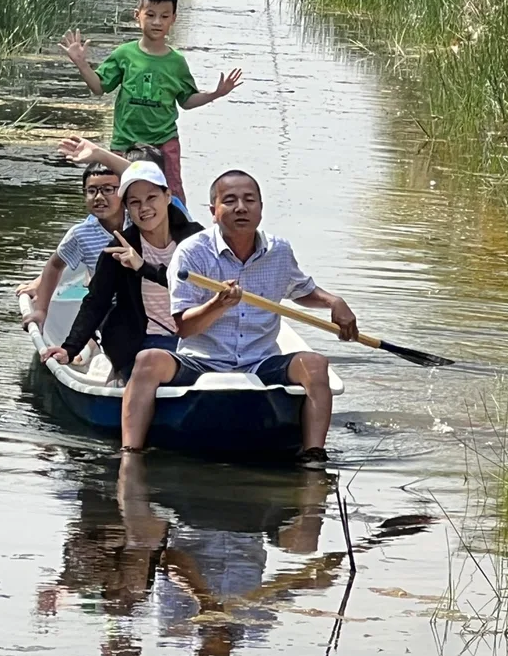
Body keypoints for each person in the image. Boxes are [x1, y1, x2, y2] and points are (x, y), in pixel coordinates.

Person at [117, 169, 359, 468]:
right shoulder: (192, 253)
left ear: (260, 208)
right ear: (214, 211)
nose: (241, 208)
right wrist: (217, 305)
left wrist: (334, 302)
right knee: (147, 360)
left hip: (260, 359)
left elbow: (302, 290)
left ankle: (313, 455)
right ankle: (130, 454)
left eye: (249, 200)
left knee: (315, 365)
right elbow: (184, 326)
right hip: (202, 358)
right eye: (229, 201)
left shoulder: (279, 251)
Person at [59, 0, 243, 205]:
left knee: (170, 194)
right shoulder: (124, 54)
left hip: (163, 142)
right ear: (137, 16)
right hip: (125, 142)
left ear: (173, 19)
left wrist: (215, 93)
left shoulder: (176, 62)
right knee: (121, 196)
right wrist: (81, 64)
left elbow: (186, 100)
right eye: (151, 15)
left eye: (164, 16)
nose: (157, 22)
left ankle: (178, 235)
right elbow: (98, 87)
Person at [41, 162, 203, 379]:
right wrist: (70, 349)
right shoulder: (118, 249)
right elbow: (96, 302)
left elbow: (200, 282)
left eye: (151, 198)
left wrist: (143, 267)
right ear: (126, 208)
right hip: (146, 340)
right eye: (135, 202)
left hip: (199, 337)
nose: (144, 208)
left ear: (168, 196)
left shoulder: (196, 240)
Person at [18, 163, 125, 330]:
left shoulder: (139, 221)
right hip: (107, 309)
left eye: (108, 189)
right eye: (91, 191)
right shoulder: (81, 234)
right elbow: (54, 265)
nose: (98, 197)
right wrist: (41, 310)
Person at [57, 134, 194, 221]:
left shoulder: (172, 207)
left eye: (151, 197)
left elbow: (142, 176)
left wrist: (100, 155)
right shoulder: (117, 212)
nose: (144, 207)